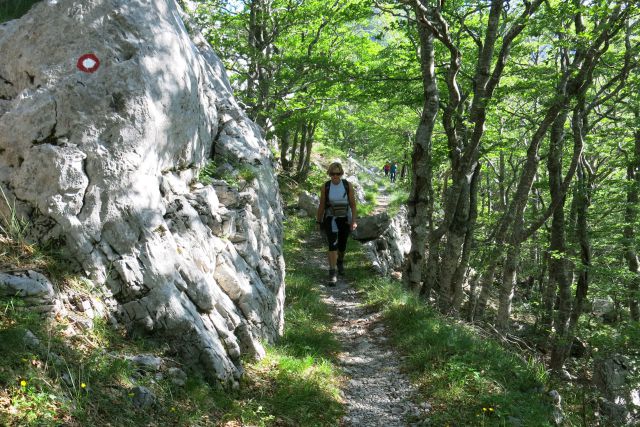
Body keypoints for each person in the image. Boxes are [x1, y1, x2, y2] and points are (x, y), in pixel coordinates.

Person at [316, 162, 358, 285]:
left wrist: (354, 221)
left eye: (338, 173)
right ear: (329, 173)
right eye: (333, 173)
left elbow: (353, 205)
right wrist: (318, 221)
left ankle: (340, 261)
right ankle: (332, 272)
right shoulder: (325, 186)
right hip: (331, 218)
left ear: (341, 174)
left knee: (343, 245)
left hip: (345, 218)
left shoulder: (347, 185)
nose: (335, 176)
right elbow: (322, 205)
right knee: (332, 244)